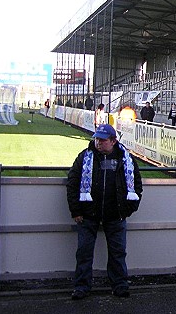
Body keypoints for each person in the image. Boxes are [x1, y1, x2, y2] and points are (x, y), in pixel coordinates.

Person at [66, 124, 143, 300]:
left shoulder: (126, 159)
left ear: (113, 141)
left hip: (116, 215)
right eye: (97, 139)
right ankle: (81, 287)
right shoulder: (84, 157)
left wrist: (128, 209)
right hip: (88, 215)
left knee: (118, 253)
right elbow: (72, 183)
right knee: (84, 253)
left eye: (102, 139)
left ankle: (120, 285)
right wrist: (76, 210)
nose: (98, 142)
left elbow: (137, 186)